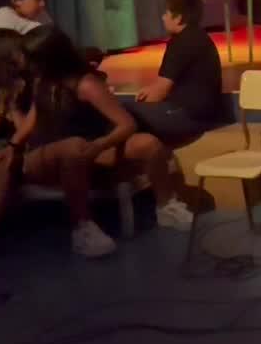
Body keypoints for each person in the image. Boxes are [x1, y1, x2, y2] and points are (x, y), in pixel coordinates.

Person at [0, 29, 102, 274]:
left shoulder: (30, 83)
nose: (23, 56)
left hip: (18, 148)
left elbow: (29, 130)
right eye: (18, 51)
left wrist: (14, 107)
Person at [24, 27, 192, 242]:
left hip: (90, 147)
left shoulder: (85, 84)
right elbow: (31, 122)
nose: (30, 65)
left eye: (35, 60)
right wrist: (14, 145)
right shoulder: (42, 84)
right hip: (57, 151)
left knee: (148, 144)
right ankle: (83, 227)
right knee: (73, 148)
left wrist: (99, 146)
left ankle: (166, 206)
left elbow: (126, 124)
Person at [123, 0, 223, 144]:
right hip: (206, 114)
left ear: (178, 18)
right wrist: (151, 90)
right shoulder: (200, 36)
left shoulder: (180, 43)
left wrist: (144, 100)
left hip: (188, 117)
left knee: (123, 113)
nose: (163, 18)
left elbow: (159, 92)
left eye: (166, 13)